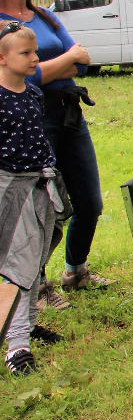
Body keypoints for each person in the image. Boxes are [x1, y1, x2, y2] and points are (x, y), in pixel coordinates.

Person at [0, 0, 111, 311]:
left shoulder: (45, 16)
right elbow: (19, 83)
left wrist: (43, 68)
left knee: (89, 202)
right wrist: (59, 64)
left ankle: (75, 271)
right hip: (29, 121)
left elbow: (81, 62)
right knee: (38, 208)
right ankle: (37, 285)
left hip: (69, 115)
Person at [0, 22, 70, 375]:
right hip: (12, 190)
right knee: (20, 267)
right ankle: (16, 347)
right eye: (24, 53)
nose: (34, 58)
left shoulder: (32, 94)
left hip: (41, 186)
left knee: (35, 262)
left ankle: (25, 325)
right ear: (1, 57)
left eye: (34, 52)